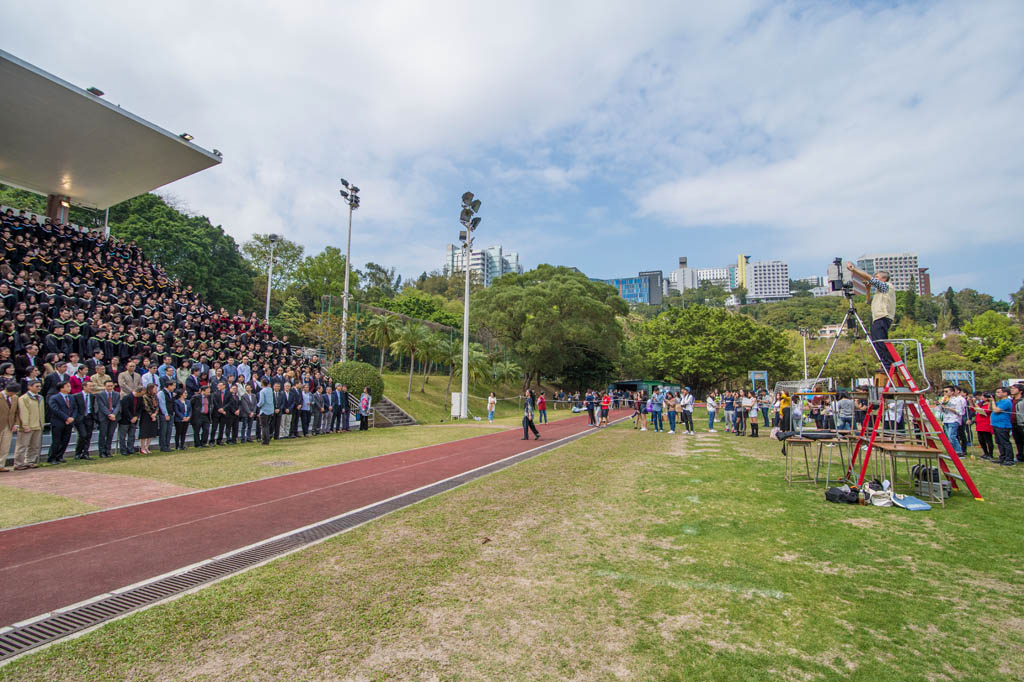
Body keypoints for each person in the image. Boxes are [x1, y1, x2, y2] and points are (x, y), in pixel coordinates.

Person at [846, 262, 896, 373]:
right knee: (877, 341)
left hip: (882, 317)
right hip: (877, 317)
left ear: (883, 279)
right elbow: (868, 302)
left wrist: (854, 270)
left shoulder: (886, 286)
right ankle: (886, 364)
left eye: (877, 277)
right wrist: (867, 289)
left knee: (880, 341)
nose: (874, 279)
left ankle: (889, 365)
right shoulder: (880, 292)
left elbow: (870, 279)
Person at [12, 380, 44, 469]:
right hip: (27, 426)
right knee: (22, 445)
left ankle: (30, 461)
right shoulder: (23, 398)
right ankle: (18, 463)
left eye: (40, 386)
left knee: (34, 445)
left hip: (38, 425)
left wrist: (42, 423)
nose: (39, 388)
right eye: (36, 386)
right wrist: (25, 425)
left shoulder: (40, 397)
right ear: (29, 387)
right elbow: (23, 412)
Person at [46, 380, 76, 463]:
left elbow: (74, 408)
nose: (69, 388)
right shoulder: (54, 398)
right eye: (67, 386)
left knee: (65, 440)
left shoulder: (71, 397)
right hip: (58, 421)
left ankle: (60, 456)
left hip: (69, 422)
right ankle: (52, 457)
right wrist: (66, 418)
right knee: (56, 441)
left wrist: (72, 417)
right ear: (61, 388)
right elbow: (55, 410)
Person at [989, 388, 1016, 466]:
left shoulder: (1006, 401)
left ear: (1005, 393)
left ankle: (1009, 459)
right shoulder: (999, 401)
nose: (997, 394)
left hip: (1003, 424)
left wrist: (993, 401)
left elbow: (996, 410)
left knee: (1005, 442)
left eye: (999, 392)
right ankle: (1002, 457)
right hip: (996, 424)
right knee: (999, 442)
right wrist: (991, 401)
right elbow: (991, 409)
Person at [936, 385, 965, 456]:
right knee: (948, 436)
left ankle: (958, 451)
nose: (945, 393)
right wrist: (940, 405)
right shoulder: (943, 399)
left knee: (952, 436)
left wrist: (948, 407)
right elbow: (939, 410)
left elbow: (959, 411)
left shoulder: (957, 400)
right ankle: (952, 450)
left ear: (952, 392)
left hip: (954, 419)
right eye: (944, 391)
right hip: (946, 419)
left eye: (946, 391)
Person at [71, 385, 97, 459]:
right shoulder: (76, 396)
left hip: (89, 417)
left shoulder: (92, 396)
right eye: (90, 386)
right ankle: (78, 453)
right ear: (84, 387)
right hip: (80, 418)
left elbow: (92, 407)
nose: (91, 387)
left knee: (88, 436)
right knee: (83, 435)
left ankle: (85, 453)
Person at [0, 384, 20, 472]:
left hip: (9, 425)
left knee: (5, 446)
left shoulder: (15, 398)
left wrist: (16, 424)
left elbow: (17, 412)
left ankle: (1, 465)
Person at [118, 386, 142, 455]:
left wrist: (136, 416)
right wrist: (131, 417)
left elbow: (139, 408)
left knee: (132, 435)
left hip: (134, 419)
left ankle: (130, 449)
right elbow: (125, 409)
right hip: (125, 420)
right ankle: (123, 450)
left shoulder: (140, 398)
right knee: (122, 436)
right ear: (138, 392)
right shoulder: (126, 398)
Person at [137, 384, 160, 454]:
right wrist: (151, 414)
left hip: (154, 415)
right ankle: (142, 447)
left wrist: (155, 413)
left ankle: (147, 447)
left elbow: (157, 406)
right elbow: (146, 406)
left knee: (151, 432)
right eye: (154, 388)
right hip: (146, 416)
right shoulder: (145, 397)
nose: (156, 390)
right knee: (144, 432)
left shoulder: (155, 396)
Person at [974, 392, 994, 461]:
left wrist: (991, 401)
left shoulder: (990, 404)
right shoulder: (981, 404)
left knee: (988, 439)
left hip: (986, 423)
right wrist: (973, 402)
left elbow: (988, 411)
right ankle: (985, 453)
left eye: (983, 396)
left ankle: (990, 454)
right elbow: (975, 408)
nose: (982, 397)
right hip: (979, 423)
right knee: (981, 439)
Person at [157, 381, 175, 452]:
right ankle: (163, 446)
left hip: (170, 413)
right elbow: (162, 404)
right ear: (169, 386)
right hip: (164, 414)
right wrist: (165, 414)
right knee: (163, 431)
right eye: (173, 386)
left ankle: (167, 445)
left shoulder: (170, 393)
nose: (174, 387)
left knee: (169, 430)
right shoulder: (161, 393)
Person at [256, 378, 275, 445]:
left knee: (264, 426)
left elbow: (261, 401)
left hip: (264, 410)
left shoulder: (262, 391)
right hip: (270, 409)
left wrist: (257, 405)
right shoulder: (270, 389)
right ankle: (267, 438)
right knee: (267, 425)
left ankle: (265, 440)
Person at [1010, 383, 1024, 463]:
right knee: (1017, 441)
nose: (1012, 390)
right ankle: (1020, 456)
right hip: (1013, 423)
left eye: (1014, 388)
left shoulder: (1022, 401)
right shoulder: (1011, 401)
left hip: (1021, 423)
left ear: (1020, 391)